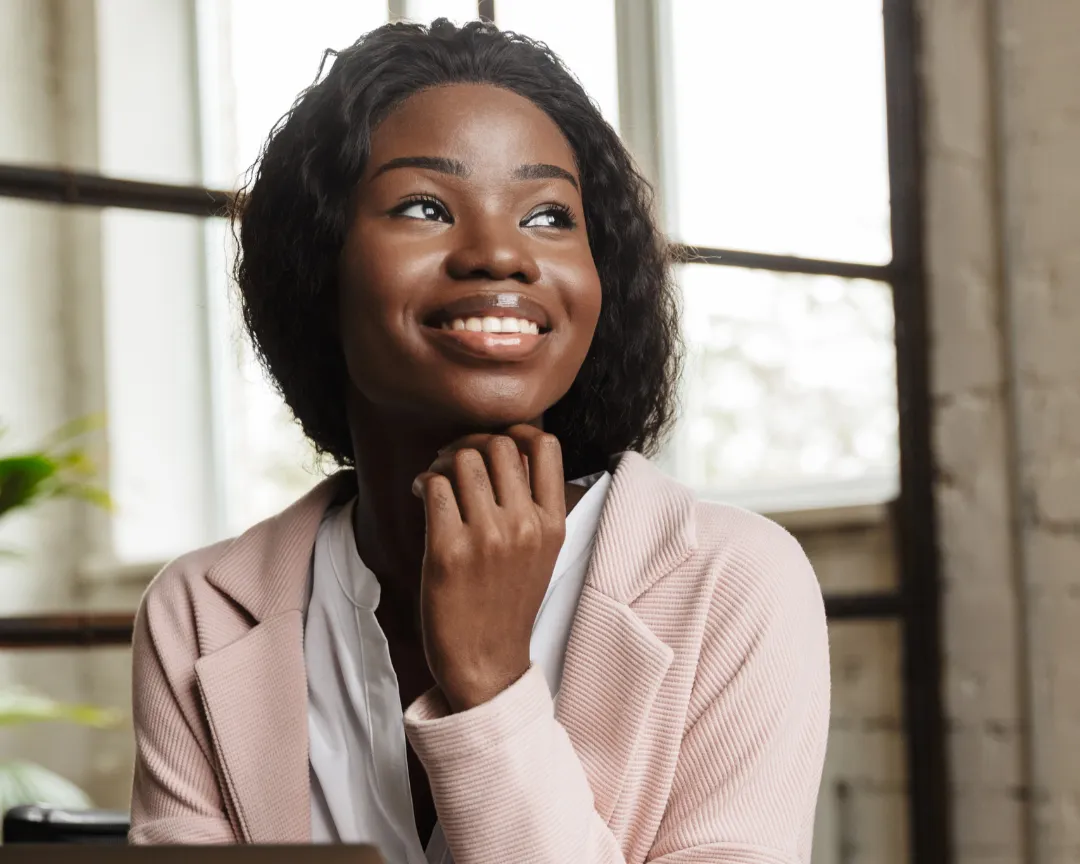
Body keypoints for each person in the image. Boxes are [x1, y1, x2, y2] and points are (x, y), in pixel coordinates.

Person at [128, 18, 829, 864]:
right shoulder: (200, 610)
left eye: (547, 215)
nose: (500, 254)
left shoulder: (733, 582)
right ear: (319, 264)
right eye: (425, 206)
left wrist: (490, 684)